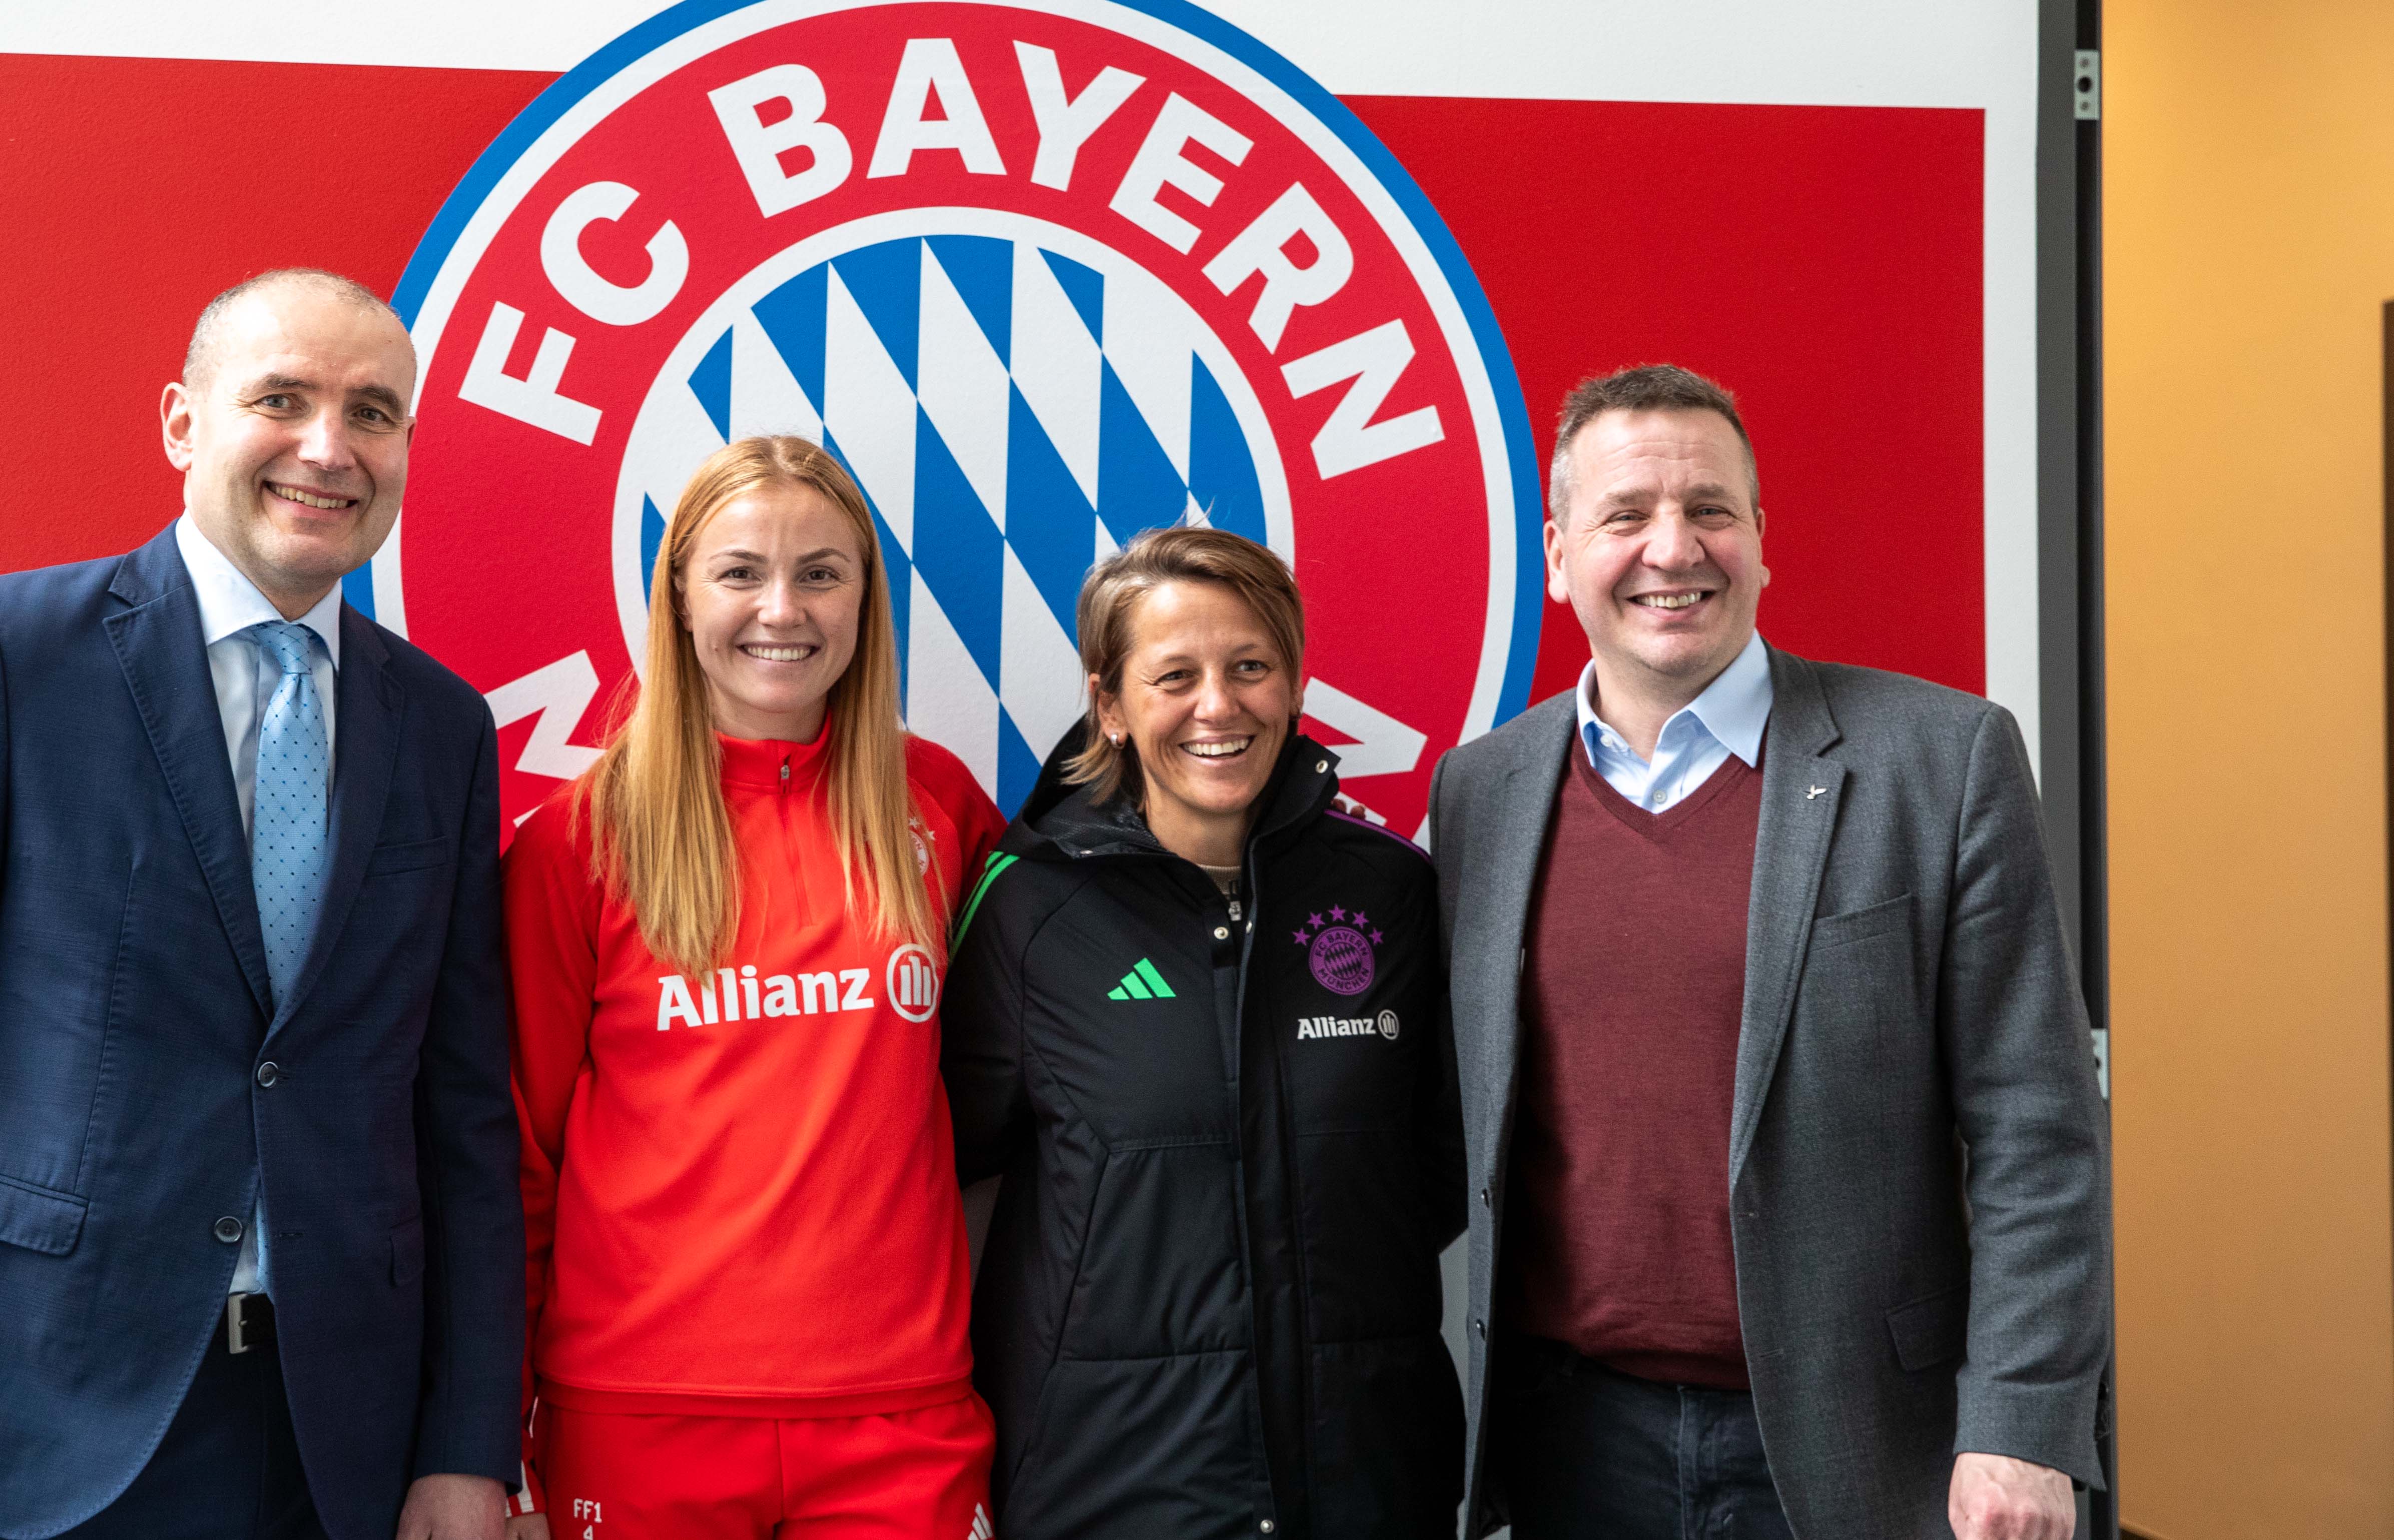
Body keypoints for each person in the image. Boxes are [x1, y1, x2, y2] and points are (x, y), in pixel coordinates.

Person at [0, 269, 524, 1540]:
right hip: (43, 1427)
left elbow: (460, 1117)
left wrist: (468, 1445)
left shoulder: (442, 726)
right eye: (280, 399)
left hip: (340, 1441)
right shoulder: (4, 659)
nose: (328, 449)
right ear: (184, 424)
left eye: (374, 413)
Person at [1429, 364, 2111, 1539]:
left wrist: (2020, 1422)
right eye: (1626, 514)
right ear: (1555, 554)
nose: (1672, 546)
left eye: (1710, 509)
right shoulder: (1483, 790)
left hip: (1870, 1443)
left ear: (1759, 538)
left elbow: (2037, 1132)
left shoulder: (1941, 762)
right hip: (1574, 1446)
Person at [501, 436, 1006, 1540]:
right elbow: (519, 1160)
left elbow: (1014, 1098)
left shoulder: (943, 809)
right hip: (639, 1418)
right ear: (680, 596)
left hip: (900, 1414)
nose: (783, 608)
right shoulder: (577, 841)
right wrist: (496, 1433)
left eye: (822, 572)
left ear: (866, 600)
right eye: (740, 572)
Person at [941, 527, 1466, 1539]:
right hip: (1114, 1480)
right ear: (1111, 705)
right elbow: (959, 1172)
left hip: (1364, 1474)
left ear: (1295, 681)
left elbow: (1434, 1170)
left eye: (1251, 667)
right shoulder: (1027, 909)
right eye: (1174, 675)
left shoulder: (1394, 893)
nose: (1218, 705)